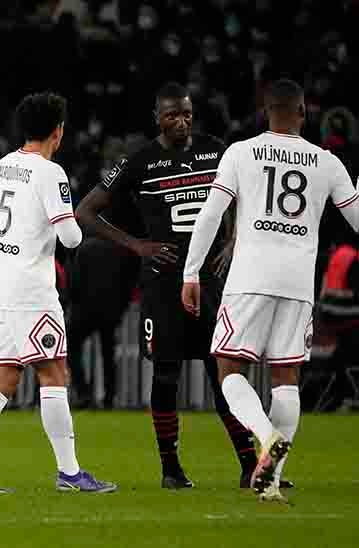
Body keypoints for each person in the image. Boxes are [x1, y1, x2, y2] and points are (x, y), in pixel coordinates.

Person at [182, 79, 359, 503]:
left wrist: (191, 272)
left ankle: (265, 437)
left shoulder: (241, 152)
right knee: (286, 377)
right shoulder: (327, 162)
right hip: (298, 283)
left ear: (266, 112)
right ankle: (272, 480)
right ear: (302, 113)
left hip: (250, 277)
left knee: (228, 369)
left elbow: (210, 215)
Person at [76, 82, 258, 489]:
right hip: (163, 284)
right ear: (156, 117)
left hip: (212, 282)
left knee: (224, 373)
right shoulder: (138, 160)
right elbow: (85, 211)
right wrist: (137, 245)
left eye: (187, 114)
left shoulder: (216, 149)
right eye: (172, 114)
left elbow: (244, 197)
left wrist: (232, 239)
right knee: (167, 374)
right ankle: (171, 469)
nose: (182, 121)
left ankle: (250, 466)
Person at [0, 92, 117, 494]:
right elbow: (70, 236)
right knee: (53, 373)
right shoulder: (50, 174)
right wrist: (77, 224)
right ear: (58, 132)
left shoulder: (0, 167)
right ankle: (71, 474)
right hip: (31, 292)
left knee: (2, 378)